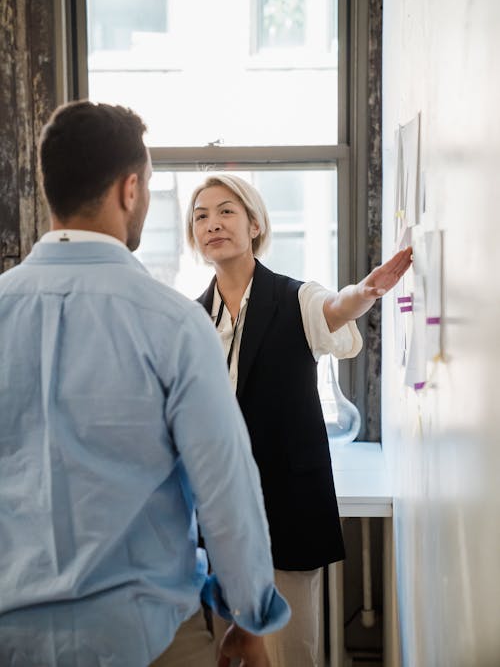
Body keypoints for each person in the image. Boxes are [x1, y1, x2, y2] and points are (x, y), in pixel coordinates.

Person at [0, 102, 290, 667]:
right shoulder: (174, 324)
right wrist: (248, 618)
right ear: (130, 190)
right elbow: (225, 488)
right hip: (147, 637)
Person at [186, 174, 412, 667]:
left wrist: (365, 292)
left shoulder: (295, 297)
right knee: (229, 648)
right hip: (220, 511)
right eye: (201, 216)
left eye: (226, 211)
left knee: (292, 647)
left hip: (288, 502)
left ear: (254, 224)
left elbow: (335, 308)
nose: (212, 223)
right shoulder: (192, 318)